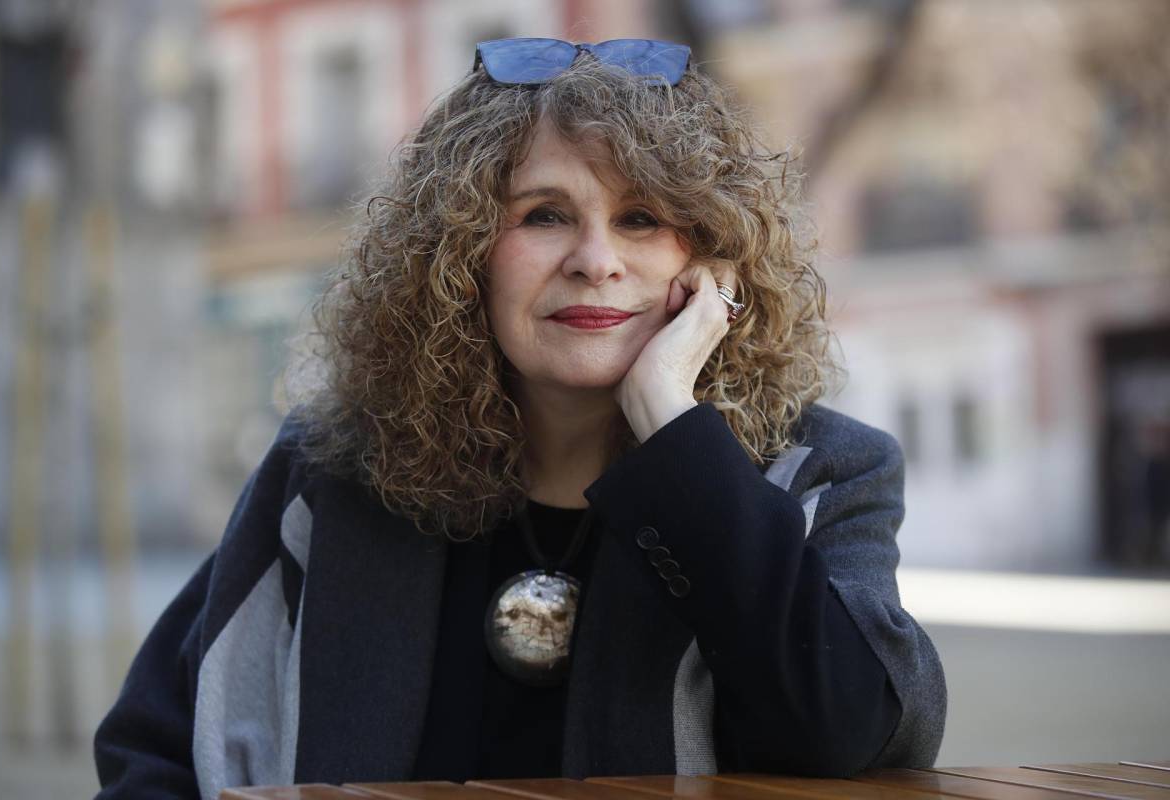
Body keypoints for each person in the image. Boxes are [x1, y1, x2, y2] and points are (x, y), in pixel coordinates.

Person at [94, 38, 946, 798]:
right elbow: (153, 748)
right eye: (544, 215)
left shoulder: (824, 471)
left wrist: (672, 423)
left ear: (715, 260)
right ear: (460, 255)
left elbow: (855, 729)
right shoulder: (331, 470)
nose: (596, 261)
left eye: (641, 219)